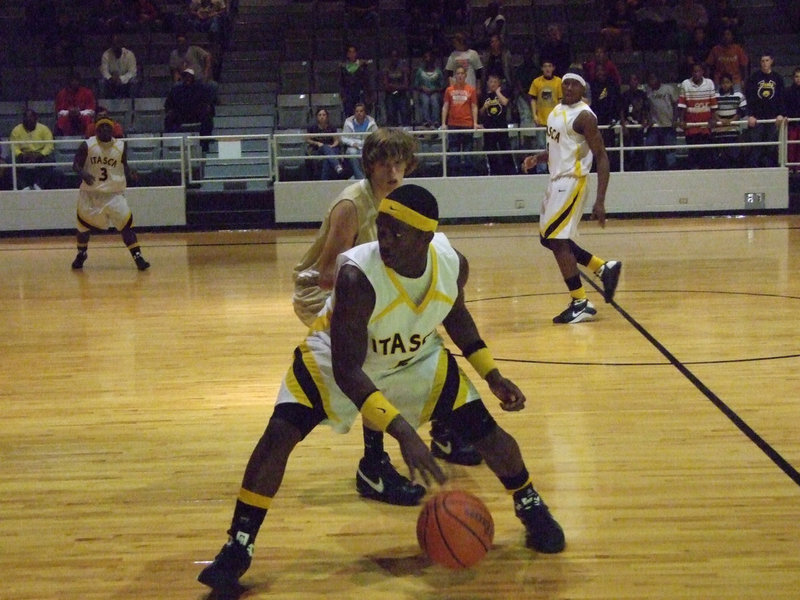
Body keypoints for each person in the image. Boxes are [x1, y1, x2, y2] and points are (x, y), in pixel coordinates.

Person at [198, 183, 566, 595]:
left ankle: (530, 505)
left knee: (486, 432)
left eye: (396, 234)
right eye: (382, 230)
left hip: (414, 357)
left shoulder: (451, 263)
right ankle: (238, 545)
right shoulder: (357, 275)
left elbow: (455, 314)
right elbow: (348, 371)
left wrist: (491, 374)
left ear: (425, 238)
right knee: (278, 435)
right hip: (336, 359)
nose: (384, 241)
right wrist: (404, 433)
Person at [293, 129, 481, 504]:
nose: (393, 172)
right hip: (322, 292)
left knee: (423, 335)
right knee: (376, 364)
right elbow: (330, 273)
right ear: (370, 165)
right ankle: (373, 464)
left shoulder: (400, 201)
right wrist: (372, 269)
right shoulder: (352, 205)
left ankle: (443, 427)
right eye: (384, 164)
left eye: (399, 163)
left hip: (370, 288)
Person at [522, 73, 622, 324]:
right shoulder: (556, 111)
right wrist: (539, 157)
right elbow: (559, 147)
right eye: (565, 82)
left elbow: (601, 157)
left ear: (582, 88)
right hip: (556, 180)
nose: (568, 87)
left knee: (556, 239)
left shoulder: (585, 116)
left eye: (574, 83)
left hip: (572, 182)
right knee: (548, 239)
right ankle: (603, 267)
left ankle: (581, 302)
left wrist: (600, 200)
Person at [70, 116, 150, 271]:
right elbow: (75, 165)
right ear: (96, 130)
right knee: (83, 228)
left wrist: (130, 173)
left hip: (114, 193)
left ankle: (138, 257)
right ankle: (81, 253)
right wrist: (84, 174)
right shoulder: (87, 145)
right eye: (102, 127)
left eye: (108, 127)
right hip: (91, 194)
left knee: (126, 226)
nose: (105, 130)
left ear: (112, 130)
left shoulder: (121, 146)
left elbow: (123, 165)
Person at [744, 53, 785, 168]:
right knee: (756, 146)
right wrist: (750, 115)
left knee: (771, 146)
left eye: (767, 60)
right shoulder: (754, 78)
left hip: (772, 118)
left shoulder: (778, 78)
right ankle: (755, 170)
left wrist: (781, 114)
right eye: (762, 61)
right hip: (757, 118)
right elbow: (750, 97)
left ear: (772, 61)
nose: (765, 63)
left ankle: (771, 169)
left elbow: (781, 97)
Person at [677, 63, 718, 169]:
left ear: (702, 72)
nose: (696, 74)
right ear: (691, 73)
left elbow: (713, 104)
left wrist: (713, 119)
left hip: (705, 126)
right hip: (691, 126)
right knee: (693, 154)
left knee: (706, 155)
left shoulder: (709, 83)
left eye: (698, 71)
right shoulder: (685, 84)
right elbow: (682, 104)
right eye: (694, 71)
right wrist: (681, 120)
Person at [164, 68, 215, 151]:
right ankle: (172, 145)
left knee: (207, 118)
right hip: (181, 115)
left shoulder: (201, 88)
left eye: (189, 76)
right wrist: (170, 111)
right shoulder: (176, 90)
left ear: (193, 77)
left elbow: (208, 104)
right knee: (169, 118)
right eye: (185, 76)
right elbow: (168, 105)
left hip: (196, 115)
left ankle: (205, 144)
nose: (187, 78)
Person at [528, 60, 562, 172]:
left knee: (555, 147)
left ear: (553, 68)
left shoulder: (558, 82)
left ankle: (554, 169)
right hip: (541, 120)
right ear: (542, 68)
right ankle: (541, 171)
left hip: (554, 121)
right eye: (545, 66)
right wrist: (534, 115)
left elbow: (561, 100)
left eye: (550, 66)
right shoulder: (536, 82)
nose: (547, 69)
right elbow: (533, 99)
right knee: (541, 146)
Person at [9, 109, 54, 191]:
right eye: (26, 118)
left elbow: (49, 146)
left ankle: (39, 185)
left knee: (51, 159)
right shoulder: (16, 130)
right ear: (23, 119)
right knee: (10, 160)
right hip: (23, 155)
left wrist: (40, 154)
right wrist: (21, 155)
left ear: (36, 118)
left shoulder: (44, 129)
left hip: (39, 154)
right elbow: (13, 147)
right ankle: (24, 187)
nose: (28, 119)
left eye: (31, 117)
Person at [587, 63, 622, 171]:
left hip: (609, 122)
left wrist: (616, 118)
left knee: (608, 147)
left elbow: (617, 103)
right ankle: (594, 168)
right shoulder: (592, 85)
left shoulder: (612, 85)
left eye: (602, 70)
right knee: (594, 146)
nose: (600, 73)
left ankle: (610, 168)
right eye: (598, 71)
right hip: (596, 121)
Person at [480, 73, 515, 175]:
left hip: (501, 126)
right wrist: (484, 107)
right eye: (491, 81)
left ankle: (510, 171)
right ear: (487, 83)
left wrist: (497, 92)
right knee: (491, 150)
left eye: (495, 82)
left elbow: (505, 103)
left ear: (499, 83)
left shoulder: (503, 92)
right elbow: (480, 112)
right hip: (488, 127)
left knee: (505, 149)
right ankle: (494, 171)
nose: (493, 84)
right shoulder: (483, 95)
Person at [644, 71, 679, 170]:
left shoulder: (668, 89)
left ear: (658, 79)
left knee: (670, 152)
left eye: (653, 79)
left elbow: (676, 105)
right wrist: (649, 118)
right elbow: (646, 107)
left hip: (668, 125)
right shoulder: (648, 91)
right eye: (649, 80)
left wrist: (675, 119)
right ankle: (650, 172)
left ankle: (672, 172)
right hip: (654, 126)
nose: (651, 82)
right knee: (650, 150)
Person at [712, 72, 746, 168]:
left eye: (727, 82)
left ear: (732, 83)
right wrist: (720, 121)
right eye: (723, 83)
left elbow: (742, 110)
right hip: (719, 132)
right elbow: (712, 110)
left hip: (733, 132)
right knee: (719, 160)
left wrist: (731, 121)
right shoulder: (715, 96)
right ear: (720, 84)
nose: (725, 85)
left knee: (733, 158)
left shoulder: (739, 95)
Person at [620, 72, 651, 171]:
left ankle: (640, 169)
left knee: (640, 150)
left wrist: (646, 119)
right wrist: (624, 125)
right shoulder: (625, 95)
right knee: (627, 150)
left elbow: (646, 109)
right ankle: (627, 169)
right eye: (632, 80)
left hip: (639, 127)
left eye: (635, 80)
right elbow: (621, 110)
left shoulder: (642, 94)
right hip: (628, 127)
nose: (634, 82)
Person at [341, 103, 378, 180]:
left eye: (361, 111)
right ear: (354, 113)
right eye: (357, 111)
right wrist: (352, 143)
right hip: (353, 146)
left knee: (365, 153)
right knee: (352, 153)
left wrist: (367, 143)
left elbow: (376, 135)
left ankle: (358, 176)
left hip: (367, 145)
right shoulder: (348, 122)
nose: (359, 113)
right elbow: (344, 138)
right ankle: (360, 178)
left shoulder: (371, 122)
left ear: (365, 112)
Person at [305, 108, 344, 180]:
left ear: (327, 116)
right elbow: (307, 139)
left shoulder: (332, 127)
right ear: (317, 117)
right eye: (319, 115)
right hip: (317, 149)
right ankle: (337, 165)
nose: (322, 117)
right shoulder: (312, 127)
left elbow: (336, 141)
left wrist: (331, 146)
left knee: (327, 158)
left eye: (324, 115)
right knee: (325, 147)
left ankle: (324, 181)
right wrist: (317, 143)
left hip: (331, 149)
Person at [413, 50, 446, 127]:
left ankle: (436, 121)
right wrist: (422, 88)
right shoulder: (420, 71)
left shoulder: (438, 72)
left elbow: (442, 86)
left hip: (435, 92)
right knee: (425, 101)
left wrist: (434, 90)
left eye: (430, 57)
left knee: (434, 100)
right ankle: (426, 121)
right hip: (423, 92)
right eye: (426, 58)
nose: (428, 59)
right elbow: (416, 85)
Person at [99, 33, 138, 99]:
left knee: (134, 81)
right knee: (102, 82)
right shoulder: (106, 55)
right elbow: (104, 71)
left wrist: (121, 79)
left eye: (118, 43)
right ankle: (105, 106)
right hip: (111, 81)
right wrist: (111, 78)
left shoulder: (130, 55)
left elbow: (132, 72)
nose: (116, 46)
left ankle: (132, 106)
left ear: (121, 44)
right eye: (114, 44)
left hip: (126, 80)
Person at [340, 45, 373, 119]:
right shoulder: (344, 67)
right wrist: (343, 94)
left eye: (353, 52)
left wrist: (368, 94)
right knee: (349, 115)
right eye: (350, 52)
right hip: (348, 94)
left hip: (360, 93)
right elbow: (341, 82)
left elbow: (367, 81)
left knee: (361, 113)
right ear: (347, 54)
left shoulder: (362, 66)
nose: (352, 54)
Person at [380, 49, 411, 127]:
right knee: (390, 112)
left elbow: (406, 85)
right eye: (392, 56)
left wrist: (393, 86)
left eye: (396, 56)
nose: (394, 58)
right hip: (390, 94)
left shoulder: (403, 69)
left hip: (402, 94)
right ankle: (392, 129)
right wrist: (398, 86)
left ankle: (406, 129)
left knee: (404, 110)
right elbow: (386, 85)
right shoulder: (386, 69)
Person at [785, 67, 800, 172]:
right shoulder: (788, 91)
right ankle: (790, 167)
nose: (798, 79)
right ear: (793, 78)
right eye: (796, 76)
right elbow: (785, 106)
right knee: (791, 146)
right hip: (792, 123)